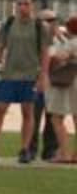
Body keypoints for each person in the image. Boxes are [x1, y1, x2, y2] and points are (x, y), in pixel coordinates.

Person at [0, 0, 49, 164]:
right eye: (19, 3)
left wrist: (43, 76)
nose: (22, 7)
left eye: (26, 3)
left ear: (32, 5)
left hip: (30, 75)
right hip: (9, 74)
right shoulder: (8, 24)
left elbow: (45, 53)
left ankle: (24, 148)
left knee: (28, 112)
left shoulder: (40, 27)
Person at [44, 16, 77, 163]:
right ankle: (74, 154)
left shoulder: (72, 43)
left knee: (56, 118)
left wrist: (51, 50)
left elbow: (60, 56)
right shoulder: (71, 42)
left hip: (66, 82)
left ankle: (64, 153)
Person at [29, 9, 61, 161]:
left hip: (56, 85)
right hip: (35, 84)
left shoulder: (63, 40)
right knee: (32, 117)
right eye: (43, 21)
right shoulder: (32, 41)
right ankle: (30, 148)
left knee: (53, 119)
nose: (47, 24)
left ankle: (50, 150)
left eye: (51, 20)